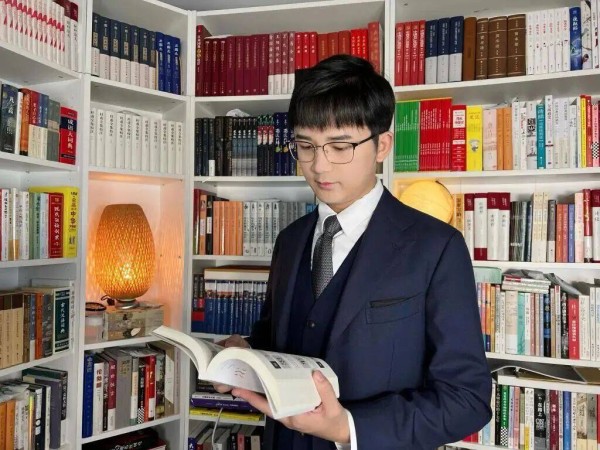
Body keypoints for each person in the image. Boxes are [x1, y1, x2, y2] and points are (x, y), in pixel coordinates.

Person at [218, 54, 492, 450]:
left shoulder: (436, 247)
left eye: (340, 146)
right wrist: (245, 355)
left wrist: (348, 427)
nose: (319, 165)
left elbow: (467, 400)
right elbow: (278, 341)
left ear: (382, 145)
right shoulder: (290, 240)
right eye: (306, 146)